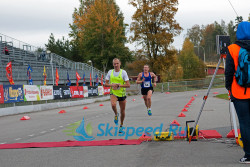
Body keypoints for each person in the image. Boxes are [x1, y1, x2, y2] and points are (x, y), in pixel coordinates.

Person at [225, 21, 250, 164]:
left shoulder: (232, 48)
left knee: (245, 124)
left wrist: (229, 88)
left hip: (239, 92)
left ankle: (248, 155)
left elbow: (228, 72)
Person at [104, 58, 130, 133]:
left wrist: (119, 85)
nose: (116, 65)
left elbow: (128, 85)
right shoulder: (110, 72)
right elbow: (105, 84)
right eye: (114, 64)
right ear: (113, 64)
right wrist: (112, 85)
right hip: (113, 93)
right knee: (113, 104)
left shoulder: (123, 72)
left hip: (122, 94)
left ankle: (121, 125)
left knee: (123, 111)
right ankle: (116, 114)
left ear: (120, 63)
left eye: (117, 63)